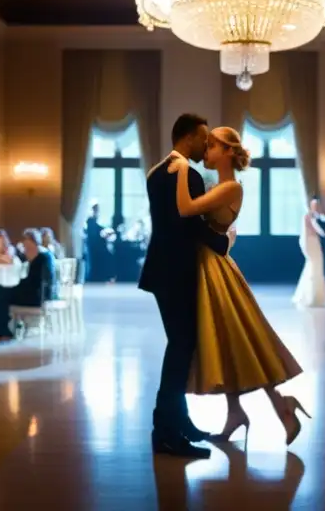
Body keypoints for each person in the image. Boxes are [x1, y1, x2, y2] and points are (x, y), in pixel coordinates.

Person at [170, 126, 306, 447]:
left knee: (237, 339)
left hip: (215, 270)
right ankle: (242, 411)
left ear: (229, 151)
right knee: (228, 342)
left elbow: (186, 209)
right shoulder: (220, 185)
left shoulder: (230, 187)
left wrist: (180, 170)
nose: (207, 148)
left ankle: (276, 405)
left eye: (213, 144)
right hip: (210, 266)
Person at [139, 114, 233, 459]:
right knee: (180, 349)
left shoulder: (156, 170)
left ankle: (179, 421)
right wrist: (223, 242)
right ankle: (165, 432)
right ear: (189, 137)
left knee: (179, 346)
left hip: (162, 270)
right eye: (203, 139)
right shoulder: (186, 173)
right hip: (177, 272)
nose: (206, 146)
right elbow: (188, 224)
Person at [0, 228, 57, 341]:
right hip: (38, 294)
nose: (24, 246)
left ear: (31, 242)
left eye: (26, 242)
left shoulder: (39, 256)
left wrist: (17, 286)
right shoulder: (44, 255)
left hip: (35, 296)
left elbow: (34, 281)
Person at [293, 197, 325, 308]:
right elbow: (316, 230)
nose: (316, 207)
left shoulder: (315, 216)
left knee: (314, 265)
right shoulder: (308, 216)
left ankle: (314, 295)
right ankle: (311, 296)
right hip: (311, 242)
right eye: (314, 205)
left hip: (314, 241)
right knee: (314, 264)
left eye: (317, 205)